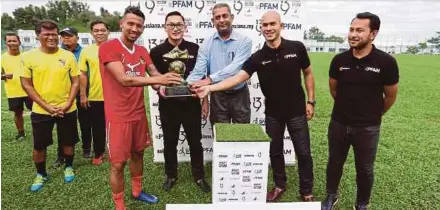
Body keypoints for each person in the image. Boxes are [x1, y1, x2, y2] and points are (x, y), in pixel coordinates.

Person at [194, 11, 316, 202]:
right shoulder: (258, 57)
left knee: (303, 152)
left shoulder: (297, 48)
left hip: (297, 112)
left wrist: (311, 101)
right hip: (273, 114)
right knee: (275, 151)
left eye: (272, 24)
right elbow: (236, 78)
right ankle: (279, 185)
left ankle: (307, 191)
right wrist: (209, 88)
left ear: (281, 25)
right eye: (264, 25)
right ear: (260, 28)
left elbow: (308, 73)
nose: (268, 28)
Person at [98, 6, 182, 210]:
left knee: (138, 154)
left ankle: (137, 191)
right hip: (117, 117)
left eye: (139, 26)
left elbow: (154, 79)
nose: (135, 29)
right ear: (121, 24)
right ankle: (119, 205)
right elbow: (124, 80)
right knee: (118, 164)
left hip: (138, 114)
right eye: (131, 24)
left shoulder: (142, 51)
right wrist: (158, 78)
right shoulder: (108, 47)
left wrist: (172, 86)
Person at [321, 12, 399, 210]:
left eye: (359, 30)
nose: (353, 34)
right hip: (339, 123)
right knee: (334, 162)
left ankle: (362, 203)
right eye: (351, 29)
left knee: (364, 169)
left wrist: (373, 114)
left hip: (368, 128)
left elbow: (390, 97)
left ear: (373, 34)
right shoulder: (339, 60)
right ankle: (331, 195)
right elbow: (334, 90)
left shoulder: (386, 62)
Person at [150, 11, 210, 192]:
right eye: (171, 25)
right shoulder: (156, 51)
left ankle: (199, 176)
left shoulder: (195, 49)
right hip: (168, 105)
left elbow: (203, 77)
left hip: (191, 104)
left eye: (179, 25)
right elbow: (154, 80)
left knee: (195, 141)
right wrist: (158, 87)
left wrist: (205, 101)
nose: (175, 28)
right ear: (165, 27)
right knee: (169, 142)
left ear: (185, 27)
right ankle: (171, 175)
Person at [18, 19, 80, 192]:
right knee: (39, 145)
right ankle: (41, 174)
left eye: (54, 34)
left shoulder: (68, 55)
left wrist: (68, 103)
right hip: (41, 110)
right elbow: (26, 84)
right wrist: (46, 106)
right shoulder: (28, 57)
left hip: (67, 108)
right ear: (38, 36)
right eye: (47, 34)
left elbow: (75, 82)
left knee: (68, 141)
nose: (52, 37)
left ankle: (68, 166)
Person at [186, 3, 252, 124]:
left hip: (239, 94)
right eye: (217, 17)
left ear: (232, 17)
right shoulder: (206, 43)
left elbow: (235, 69)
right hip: (218, 95)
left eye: (225, 16)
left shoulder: (245, 41)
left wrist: (210, 79)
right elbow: (198, 71)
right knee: (220, 136)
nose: (221, 20)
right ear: (213, 21)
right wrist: (183, 85)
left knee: (242, 136)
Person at [51, 27, 91, 168]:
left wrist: (83, 93)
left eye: (69, 36)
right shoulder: (55, 52)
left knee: (85, 122)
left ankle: (87, 149)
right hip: (63, 94)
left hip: (82, 92)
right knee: (63, 127)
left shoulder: (84, 52)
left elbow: (86, 74)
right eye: (63, 36)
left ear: (77, 37)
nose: (66, 38)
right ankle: (61, 155)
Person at [78, 20, 109, 165]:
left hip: (115, 96)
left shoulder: (116, 48)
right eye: (96, 30)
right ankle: (99, 153)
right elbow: (83, 75)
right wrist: (83, 95)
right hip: (96, 95)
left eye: (103, 30)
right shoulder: (86, 51)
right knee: (97, 127)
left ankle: (120, 151)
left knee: (118, 126)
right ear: (91, 33)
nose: (100, 33)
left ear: (108, 31)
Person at [1, 32, 32, 140]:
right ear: (6, 43)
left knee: (36, 112)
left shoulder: (26, 57)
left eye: (14, 40)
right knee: (18, 113)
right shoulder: (2, 58)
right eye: (9, 41)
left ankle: (38, 131)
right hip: (13, 92)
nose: (12, 43)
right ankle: (21, 133)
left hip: (29, 90)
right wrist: (3, 75)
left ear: (19, 42)